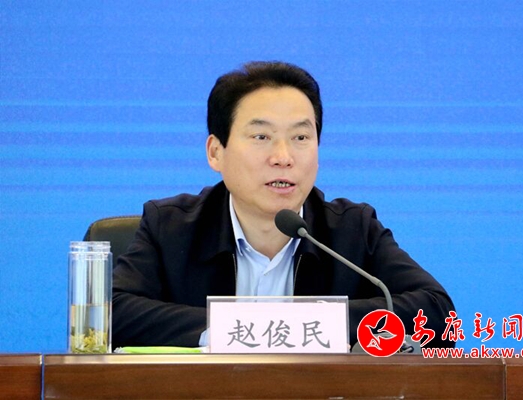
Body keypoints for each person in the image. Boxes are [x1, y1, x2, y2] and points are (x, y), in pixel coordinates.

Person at [112, 61, 455, 349]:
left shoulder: (353, 229)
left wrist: (304, 324)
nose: (283, 157)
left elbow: (438, 313)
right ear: (216, 152)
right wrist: (232, 329)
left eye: (300, 137)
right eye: (261, 137)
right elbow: (110, 312)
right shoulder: (169, 227)